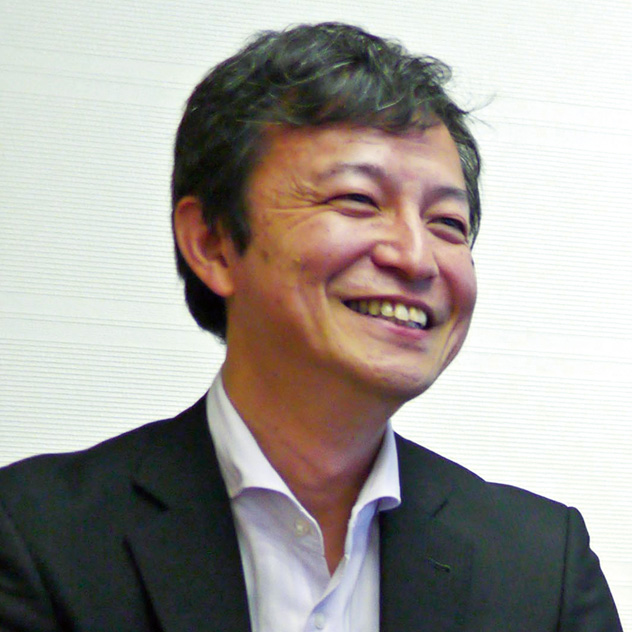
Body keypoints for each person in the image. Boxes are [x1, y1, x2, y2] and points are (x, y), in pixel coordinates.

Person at [0, 22, 622, 632]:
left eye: (447, 223)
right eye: (358, 200)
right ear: (213, 244)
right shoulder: (38, 540)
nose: (416, 257)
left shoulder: (541, 569)